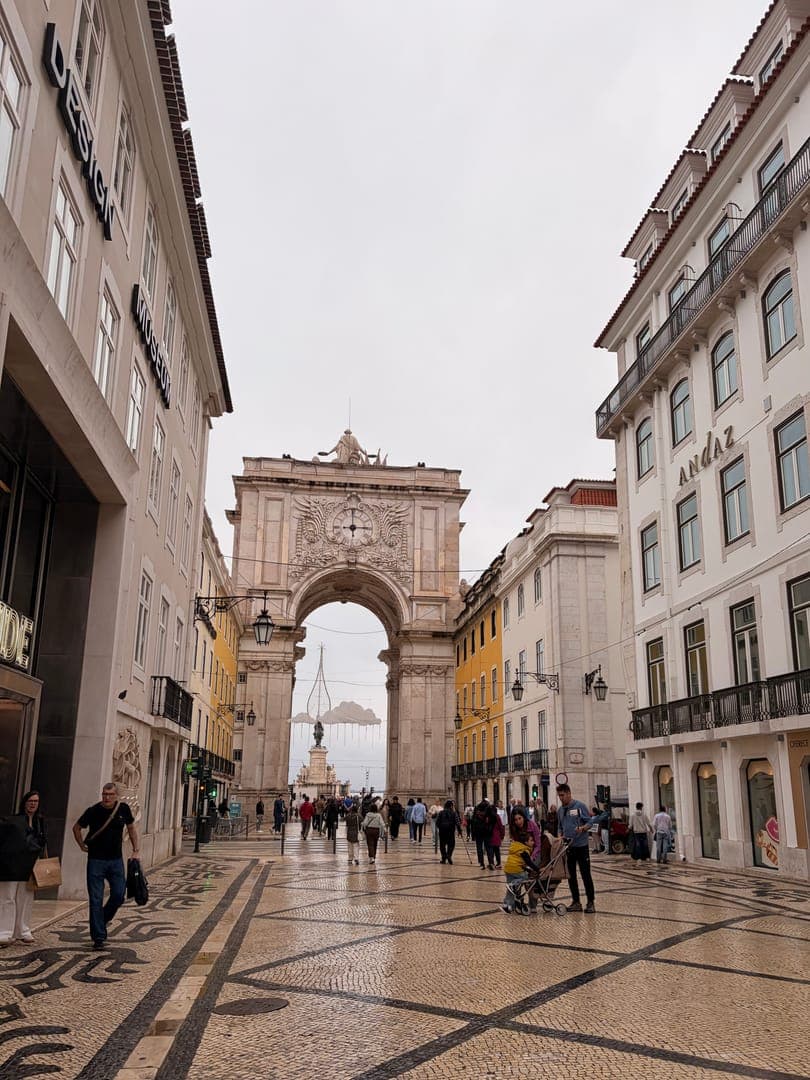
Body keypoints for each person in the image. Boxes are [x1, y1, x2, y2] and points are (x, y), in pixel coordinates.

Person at [74, 782, 140, 949]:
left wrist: (136, 849)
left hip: (115, 860)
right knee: (95, 899)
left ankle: (101, 920)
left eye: (110, 794)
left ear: (116, 795)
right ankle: (99, 937)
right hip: (96, 860)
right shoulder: (93, 810)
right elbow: (76, 827)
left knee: (118, 894)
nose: (106, 797)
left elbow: (131, 829)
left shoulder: (123, 809)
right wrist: (81, 845)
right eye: (104, 794)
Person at [0, 790, 47, 946]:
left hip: (30, 865)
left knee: (25, 898)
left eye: (36, 801)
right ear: (24, 803)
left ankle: (23, 930)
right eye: (30, 801)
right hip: (12, 864)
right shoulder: (13, 820)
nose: (33, 804)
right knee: (8, 898)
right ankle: (5, 932)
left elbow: (42, 841)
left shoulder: (40, 821)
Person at [556, 783, 598, 914]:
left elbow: (590, 822)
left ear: (569, 793)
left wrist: (583, 828)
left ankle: (590, 902)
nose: (561, 798)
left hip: (581, 846)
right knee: (571, 876)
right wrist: (560, 836)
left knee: (586, 875)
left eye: (562, 795)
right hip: (568, 847)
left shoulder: (579, 806)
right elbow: (560, 826)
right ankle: (576, 902)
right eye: (559, 796)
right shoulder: (560, 810)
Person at [501, 807, 534, 914]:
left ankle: (507, 905)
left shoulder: (516, 845)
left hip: (508, 868)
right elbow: (529, 862)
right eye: (531, 840)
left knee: (510, 889)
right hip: (516, 868)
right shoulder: (525, 850)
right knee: (523, 878)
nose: (518, 822)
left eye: (519, 819)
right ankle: (518, 899)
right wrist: (536, 869)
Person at [471, 801, 493, 869]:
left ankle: (481, 863)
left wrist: (473, 834)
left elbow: (473, 823)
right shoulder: (489, 812)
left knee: (479, 848)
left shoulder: (476, 812)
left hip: (478, 832)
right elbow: (492, 821)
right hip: (487, 832)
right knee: (489, 848)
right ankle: (491, 863)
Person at [345, 801, 361, 866]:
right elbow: (362, 820)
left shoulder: (348, 816)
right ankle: (356, 858)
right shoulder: (358, 816)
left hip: (349, 832)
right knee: (356, 846)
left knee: (350, 847)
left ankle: (350, 859)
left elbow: (345, 821)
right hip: (356, 833)